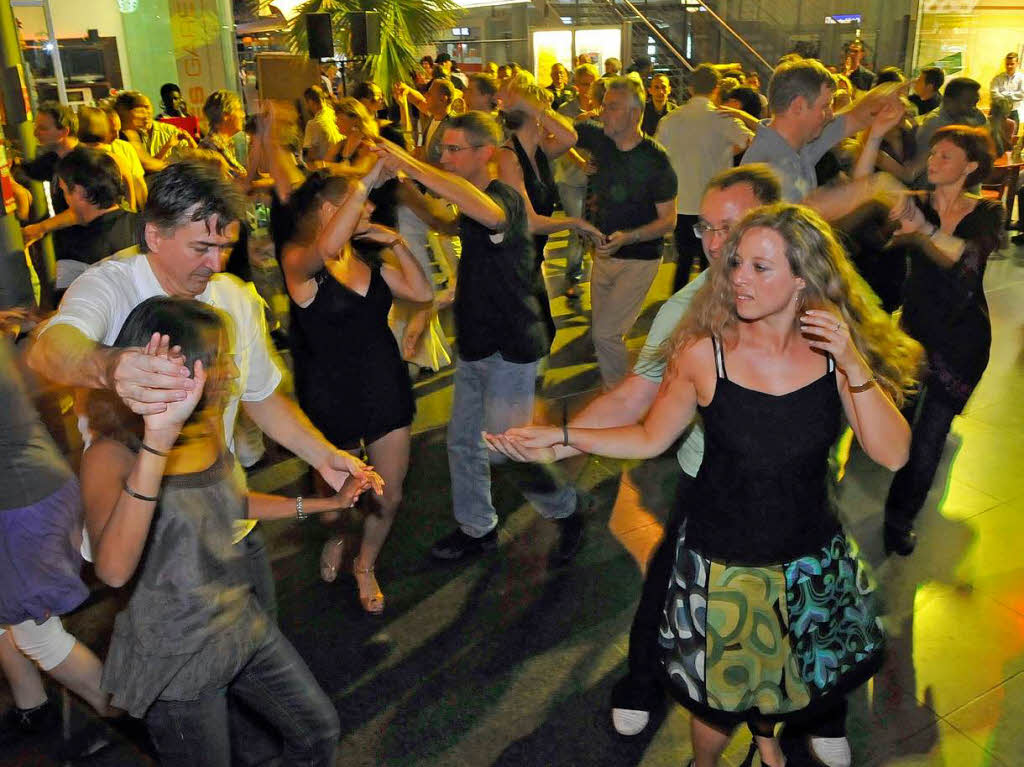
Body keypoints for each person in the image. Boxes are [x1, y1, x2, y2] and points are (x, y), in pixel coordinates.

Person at [491, 202, 921, 767]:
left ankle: (767, 743)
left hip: (808, 557)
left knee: (786, 678)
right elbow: (648, 436)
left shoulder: (832, 353)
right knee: (716, 705)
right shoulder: (703, 353)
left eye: (760, 268)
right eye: (737, 263)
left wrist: (853, 365)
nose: (738, 277)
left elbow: (893, 453)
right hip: (726, 562)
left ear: (803, 279)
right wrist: (565, 438)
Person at [487, 163, 783, 737]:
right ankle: (642, 680)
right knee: (669, 583)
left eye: (732, 229)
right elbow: (635, 403)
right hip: (709, 481)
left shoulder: (816, 295)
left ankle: (818, 707)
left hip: (794, 487)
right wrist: (559, 435)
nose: (716, 245)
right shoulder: (686, 312)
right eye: (707, 230)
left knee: (789, 592)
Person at [27, 161, 378, 632]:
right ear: (154, 235)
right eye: (201, 247)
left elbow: (261, 396)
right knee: (182, 685)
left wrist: (324, 456)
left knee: (260, 658)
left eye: (224, 248)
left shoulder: (232, 295)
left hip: (229, 520)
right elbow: (51, 349)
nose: (214, 264)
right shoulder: (108, 284)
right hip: (151, 542)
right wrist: (109, 365)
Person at [80, 297, 348, 765]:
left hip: (240, 623)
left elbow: (224, 503)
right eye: (218, 356)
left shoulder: (206, 430)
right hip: (176, 655)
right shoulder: (112, 454)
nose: (229, 369)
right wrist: (156, 444)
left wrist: (322, 502)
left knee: (317, 733)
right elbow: (114, 570)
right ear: (176, 366)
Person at [372, 112, 586, 565]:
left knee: (508, 450)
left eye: (453, 150)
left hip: (511, 348)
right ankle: (478, 528)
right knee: (463, 441)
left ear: (483, 153)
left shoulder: (500, 198)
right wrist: (430, 308)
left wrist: (410, 166)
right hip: (476, 342)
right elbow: (473, 267)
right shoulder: (470, 206)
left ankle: (566, 510)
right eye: (442, 150)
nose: (445, 158)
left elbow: (486, 215)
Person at [274, 162, 432, 613]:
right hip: (330, 393)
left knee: (390, 492)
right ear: (330, 210)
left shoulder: (366, 257)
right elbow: (325, 247)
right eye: (361, 204)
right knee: (333, 506)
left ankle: (365, 564)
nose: (372, 209)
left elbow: (420, 293)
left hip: (384, 382)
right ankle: (338, 537)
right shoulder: (299, 261)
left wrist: (398, 243)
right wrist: (366, 175)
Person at [879, 126, 1003, 556]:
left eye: (945, 156)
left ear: (970, 166)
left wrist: (921, 231)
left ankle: (899, 520)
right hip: (912, 337)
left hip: (961, 340)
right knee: (896, 424)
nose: (933, 161)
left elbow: (968, 264)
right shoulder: (914, 204)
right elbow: (875, 238)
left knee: (930, 438)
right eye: (932, 154)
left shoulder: (986, 213)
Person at [0, 335, 112, 750]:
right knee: (7, 619)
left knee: (36, 635)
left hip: (24, 504)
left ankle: (123, 711)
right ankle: (33, 707)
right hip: (32, 490)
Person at [574, 76, 678, 388]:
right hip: (603, 255)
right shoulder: (601, 141)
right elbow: (561, 132)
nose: (602, 113)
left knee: (605, 334)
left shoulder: (656, 160)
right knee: (603, 333)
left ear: (635, 114)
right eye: (603, 105)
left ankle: (620, 400)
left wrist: (627, 237)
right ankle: (621, 395)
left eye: (612, 107)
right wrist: (577, 159)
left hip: (639, 258)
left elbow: (668, 221)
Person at [496, 83, 601, 344]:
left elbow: (570, 137)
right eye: (544, 113)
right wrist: (576, 222)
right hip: (512, 260)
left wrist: (538, 110)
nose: (550, 119)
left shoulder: (540, 152)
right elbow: (529, 222)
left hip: (531, 258)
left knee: (540, 333)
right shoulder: (509, 158)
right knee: (532, 334)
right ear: (533, 120)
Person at [741, 58, 905, 203]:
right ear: (798, 106)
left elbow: (855, 117)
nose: (831, 115)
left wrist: (888, 97)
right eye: (825, 106)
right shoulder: (767, 169)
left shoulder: (800, 140)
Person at [656, 65, 753, 291]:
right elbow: (753, 140)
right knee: (712, 261)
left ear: (689, 88)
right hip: (715, 202)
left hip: (682, 201)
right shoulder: (723, 118)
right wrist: (728, 151)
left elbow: (658, 155)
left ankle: (677, 308)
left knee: (684, 259)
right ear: (717, 88)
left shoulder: (671, 119)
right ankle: (710, 309)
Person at [49, 148, 139, 295]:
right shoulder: (147, 226)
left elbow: (69, 307)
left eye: (64, 190)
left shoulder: (73, 245)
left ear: (80, 192)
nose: (65, 198)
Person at [554, 63, 599, 298]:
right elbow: (561, 143)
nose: (588, 88)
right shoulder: (566, 110)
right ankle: (572, 277)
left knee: (595, 227)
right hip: (571, 179)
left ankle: (599, 277)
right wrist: (580, 162)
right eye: (584, 83)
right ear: (576, 86)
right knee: (577, 227)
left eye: (592, 82)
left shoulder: (603, 109)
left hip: (597, 181)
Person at [911, 78, 987, 186]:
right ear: (949, 101)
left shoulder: (973, 117)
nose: (974, 109)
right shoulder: (935, 124)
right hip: (935, 189)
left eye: (975, 103)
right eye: (969, 103)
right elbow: (924, 168)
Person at [199, 90, 247, 178]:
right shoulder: (214, 146)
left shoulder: (223, 143)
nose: (243, 115)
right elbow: (240, 181)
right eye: (239, 109)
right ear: (225, 115)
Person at [301, 85, 342, 164]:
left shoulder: (312, 124)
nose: (306, 106)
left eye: (306, 103)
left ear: (311, 102)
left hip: (325, 167)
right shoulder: (334, 113)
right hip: (339, 163)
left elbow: (311, 154)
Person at [989, 52, 1024, 123]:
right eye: (1007, 64)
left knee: (1012, 134)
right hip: (997, 112)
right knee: (992, 133)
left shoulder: (1022, 78)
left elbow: (1022, 94)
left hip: (1013, 112)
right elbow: (993, 94)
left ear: (1017, 64)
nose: (1009, 66)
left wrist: (1003, 95)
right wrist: (1011, 97)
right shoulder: (998, 78)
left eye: (1012, 64)